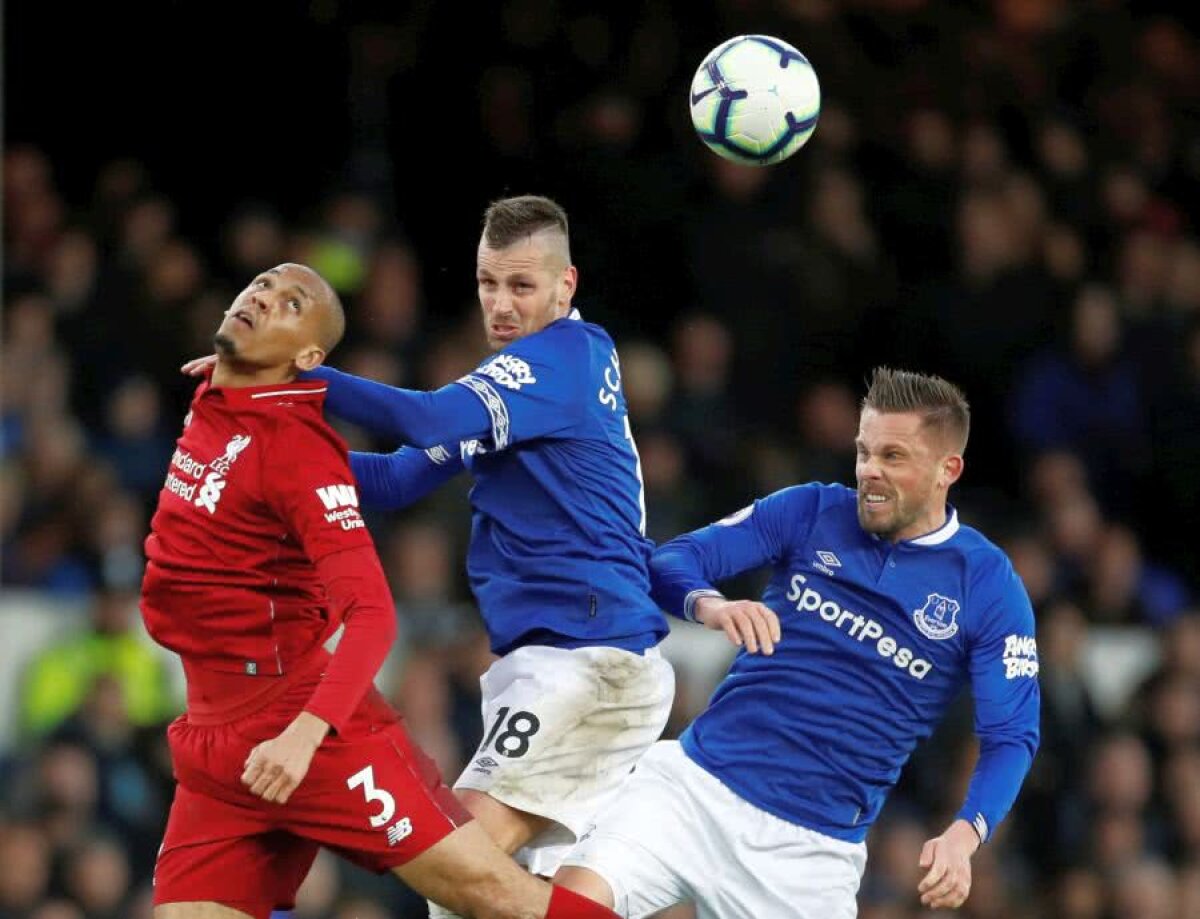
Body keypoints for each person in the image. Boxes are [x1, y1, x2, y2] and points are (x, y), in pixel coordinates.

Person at [245, 195, 778, 904]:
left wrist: (293, 370)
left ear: (566, 285)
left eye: (521, 285)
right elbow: (399, 477)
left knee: (454, 859)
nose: (500, 304)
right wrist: (271, 455)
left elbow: (427, 416)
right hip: (555, 667)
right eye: (488, 282)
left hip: (592, 663)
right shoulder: (519, 388)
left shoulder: (569, 356)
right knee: (482, 892)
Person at [147, 262, 622, 919]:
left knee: (491, 894)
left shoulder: (294, 446)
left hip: (298, 724)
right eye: (260, 285)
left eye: (291, 303)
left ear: (309, 358)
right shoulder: (216, 401)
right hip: (213, 737)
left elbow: (373, 613)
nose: (263, 297)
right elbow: (390, 480)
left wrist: (305, 733)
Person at [556, 367, 1042, 918]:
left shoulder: (988, 586)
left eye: (893, 457)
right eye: (864, 452)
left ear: (946, 470)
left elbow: (1011, 735)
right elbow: (674, 559)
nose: (870, 471)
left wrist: (966, 833)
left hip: (812, 857)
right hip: (692, 791)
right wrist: (713, 605)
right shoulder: (812, 510)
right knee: (567, 906)